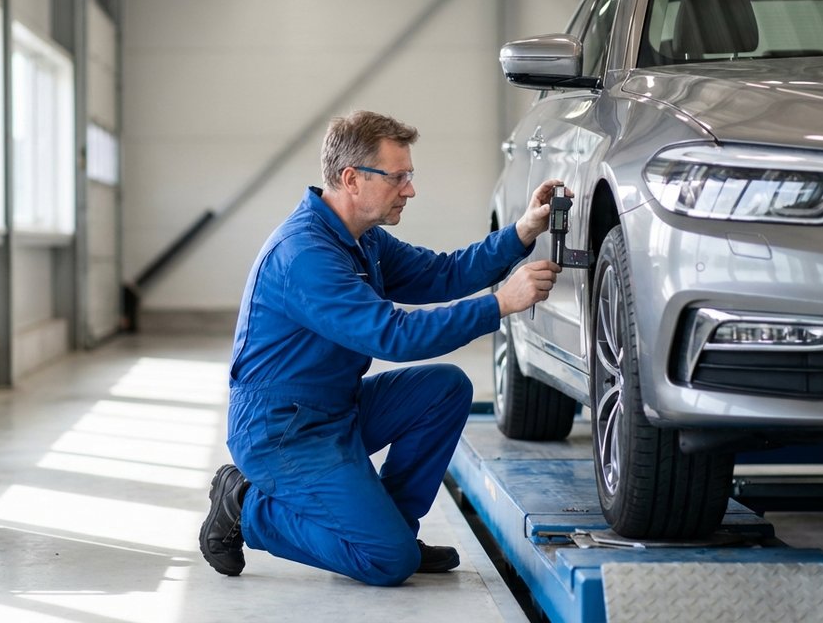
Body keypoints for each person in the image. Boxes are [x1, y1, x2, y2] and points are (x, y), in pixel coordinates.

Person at [199, 110, 565, 587]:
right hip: (282, 432)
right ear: (352, 179)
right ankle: (245, 505)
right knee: (386, 562)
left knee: (445, 388)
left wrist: (523, 231)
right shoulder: (306, 255)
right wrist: (500, 304)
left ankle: (391, 526)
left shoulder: (361, 240)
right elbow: (393, 336)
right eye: (398, 177)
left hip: (334, 410)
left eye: (408, 176)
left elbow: (443, 273)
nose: (409, 189)